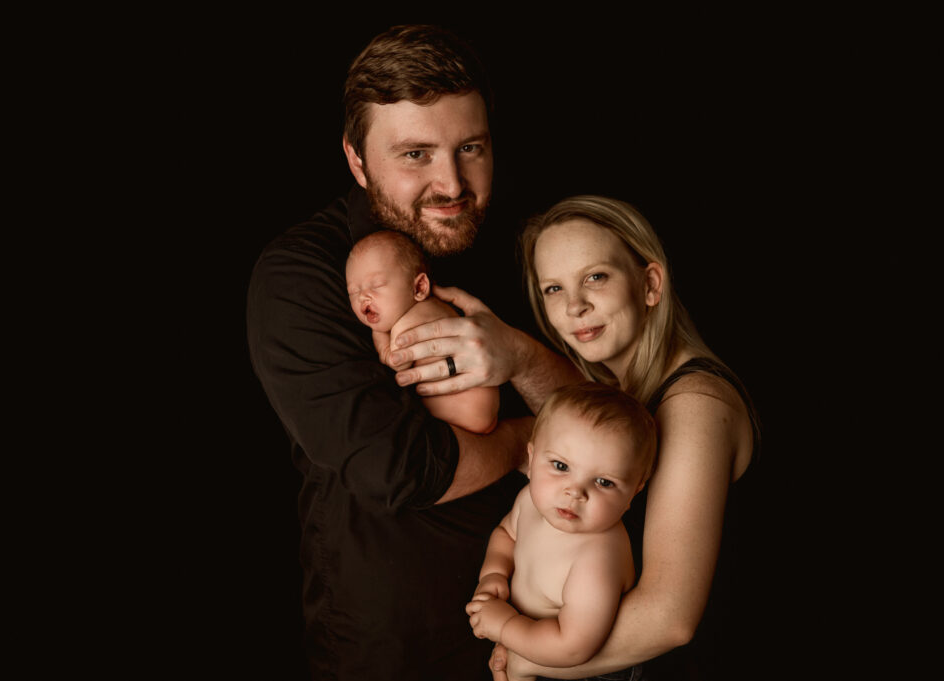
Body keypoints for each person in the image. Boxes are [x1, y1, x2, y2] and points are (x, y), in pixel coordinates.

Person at [246, 24, 579, 681]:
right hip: (397, 657)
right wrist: (528, 438)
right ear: (357, 160)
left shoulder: (535, 247)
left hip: (558, 644)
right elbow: (398, 471)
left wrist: (520, 357)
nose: (452, 183)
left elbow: (615, 428)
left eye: (471, 148)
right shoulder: (302, 277)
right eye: (416, 155)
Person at [453, 195, 760, 680]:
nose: (575, 305)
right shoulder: (618, 397)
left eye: (596, 276)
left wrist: (527, 655)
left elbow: (669, 620)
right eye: (553, 288)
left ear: (650, 284)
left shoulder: (696, 404)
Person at [465, 381, 657, 681]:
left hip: (582, 668)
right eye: (560, 465)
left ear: (635, 491)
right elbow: (506, 534)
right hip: (527, 637)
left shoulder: (597, 557)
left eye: (604, 482)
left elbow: (572, 647)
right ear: (532, 457)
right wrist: (493, 574)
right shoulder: (530, 499)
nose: (575, 492)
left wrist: (505, 627)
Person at [345, 229, 499, 433]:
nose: (363, 296)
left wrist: (379, 337)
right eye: (354, 292)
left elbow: (396, 363)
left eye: (376, 285)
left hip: (465, 414)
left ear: (419, 288)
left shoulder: (408, 325)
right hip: (482, 408)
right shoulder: (436, 308)